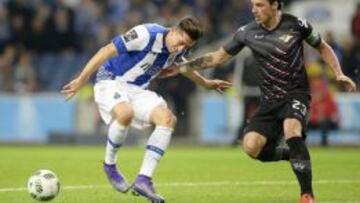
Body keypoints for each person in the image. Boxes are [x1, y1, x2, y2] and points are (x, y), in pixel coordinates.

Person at [164, 1, 357, 202]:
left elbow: (322, 46)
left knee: (292, 130)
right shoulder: (246, 32)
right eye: (252, 4)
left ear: (275, 5)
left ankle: (307, 195)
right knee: (251, 146)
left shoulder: (297, 24)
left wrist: (339, 73)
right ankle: (291, 154)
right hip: (269, 100)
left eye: (260, 4)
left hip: (295, 94)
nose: (254, 9)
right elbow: (217, 57)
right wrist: (181, 68)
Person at [61, 16, 231, 203]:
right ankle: (110, 166)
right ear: (174, 30)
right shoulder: (146, 34)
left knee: (168, 120)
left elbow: (183, 67)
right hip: (111, 80)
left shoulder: (176, 49)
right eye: (182, 42)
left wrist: (206, 83)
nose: (182, 48)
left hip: (137, 90)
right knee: (125, 113)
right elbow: (105, 51)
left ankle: (144, 180)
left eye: (187, 46)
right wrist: (81, 79)